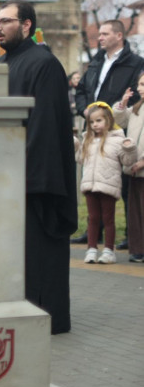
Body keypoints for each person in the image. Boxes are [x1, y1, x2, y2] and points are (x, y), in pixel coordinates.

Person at [0, 1, 76, 334]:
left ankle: (45, 317)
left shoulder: (44, 64)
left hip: (33, 179)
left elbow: (45, 127)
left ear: (27, 25)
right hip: (4, 177)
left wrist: (28, 180)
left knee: (38, 254)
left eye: (6, 21)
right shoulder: (2, 64)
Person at [73, 20, 144, 248]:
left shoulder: (135, 63)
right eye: (100, 34)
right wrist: (86, 110)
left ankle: (131, 236)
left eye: (104, 34)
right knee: (93, 181)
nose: (99, 37)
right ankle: (95, 232)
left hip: (118, 133)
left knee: (121, 184)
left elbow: (136, 96)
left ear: (119, 36)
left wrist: (111, 114)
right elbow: (82, 89)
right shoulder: (96, 61)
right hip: (92, 131)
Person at [74, 102, 135, 264]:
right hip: (90, 185)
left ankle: (109, 250)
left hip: (108, 186)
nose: (95, 125)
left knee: (108, 219)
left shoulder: (117, 140)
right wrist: (75, 146)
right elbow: (80, 159)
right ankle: (91, 249)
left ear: (108, 120)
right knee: (92, 218)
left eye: (99, 120)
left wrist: (129, 148)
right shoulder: (88, 139)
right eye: (92, 122)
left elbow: (127, 161)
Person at [113, 74, 144, 263]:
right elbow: (120, 121)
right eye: (140, 84)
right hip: (133, 168)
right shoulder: (137, 109)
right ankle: (137, 248)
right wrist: (122, 104)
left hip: (141, 166)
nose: (140, 88)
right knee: (135, 211)